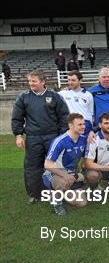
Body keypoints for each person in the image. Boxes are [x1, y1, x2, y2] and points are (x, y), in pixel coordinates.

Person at [12, 70, 70, 204]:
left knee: (55, 165)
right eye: (29, 81)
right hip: (33, 138)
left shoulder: (54, 96)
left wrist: (62, 136)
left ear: (43, 82)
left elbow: (64, 116)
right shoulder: (23, 97)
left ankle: (59, 191)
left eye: (34, 81)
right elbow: (17, 118)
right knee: (32, 167)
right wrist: (18, 135)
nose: (31, 84)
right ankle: (34, 194)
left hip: (52, 137)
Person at [42, 113, 87, 216]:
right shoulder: (60, 141)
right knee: (62, 182)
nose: (83, 126)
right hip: (53, 174)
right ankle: (57, 203)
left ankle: (59, 193)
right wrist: (65, 175)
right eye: (80, 124)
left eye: (83, 124)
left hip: (71, 175)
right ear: (71, 126)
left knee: (82, 203)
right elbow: (47, 164)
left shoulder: (83, 139)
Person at [59, 70, 94, 135]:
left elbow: (91, 112)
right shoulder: (63, 93)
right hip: (70, 125)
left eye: (73, 80)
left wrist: (91, 128)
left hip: (85, 124)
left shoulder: (88, 95)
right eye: (69, 80)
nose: (70, 82)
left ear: (80, 80)